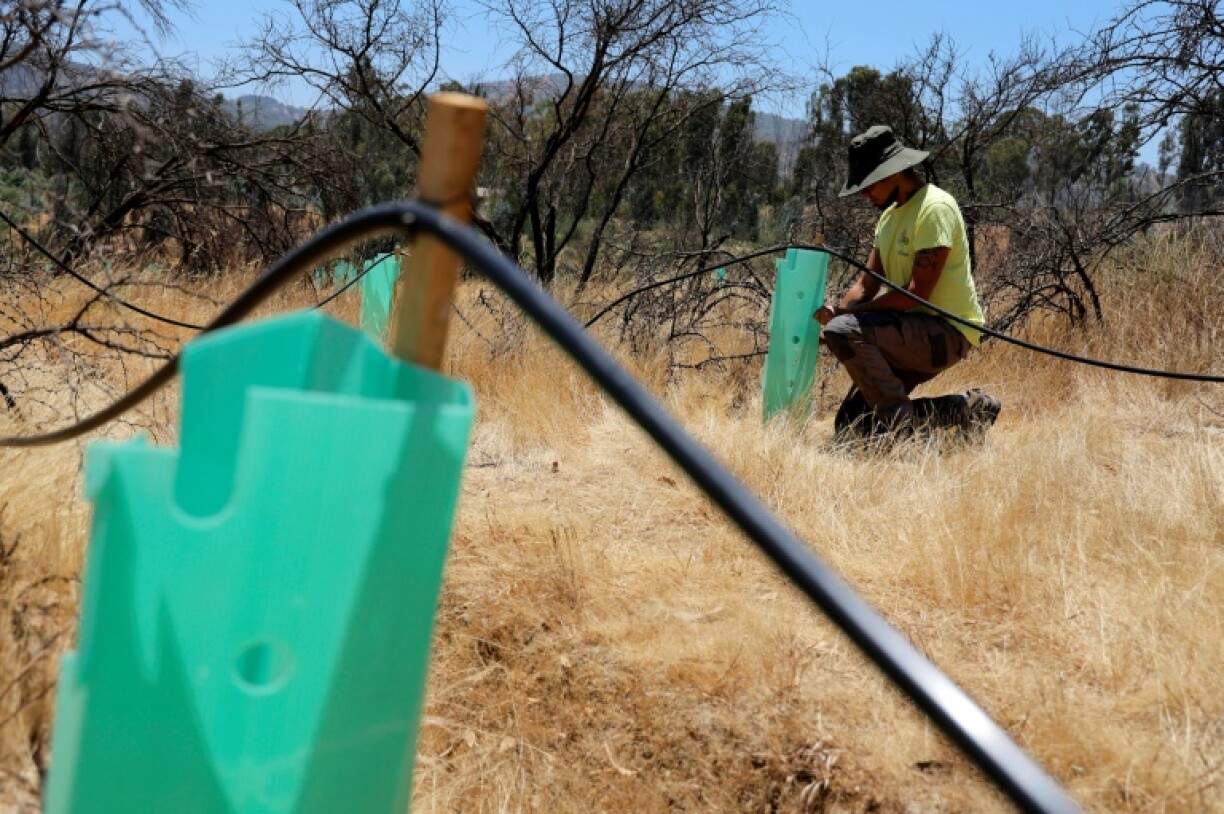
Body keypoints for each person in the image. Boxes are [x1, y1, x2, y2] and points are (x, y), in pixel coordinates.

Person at [814, 125, 1000, 442]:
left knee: (844, 332)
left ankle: (905, 439)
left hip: (945, 331)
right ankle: (969, 409)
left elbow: (915, 296)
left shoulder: (934, 208)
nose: (864, 194)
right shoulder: (889, 219)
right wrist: (838, 310)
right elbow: (865, 286)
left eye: (868, 184)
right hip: (906, 330)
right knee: (852, 427)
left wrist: (847, 323)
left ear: (893, 174)